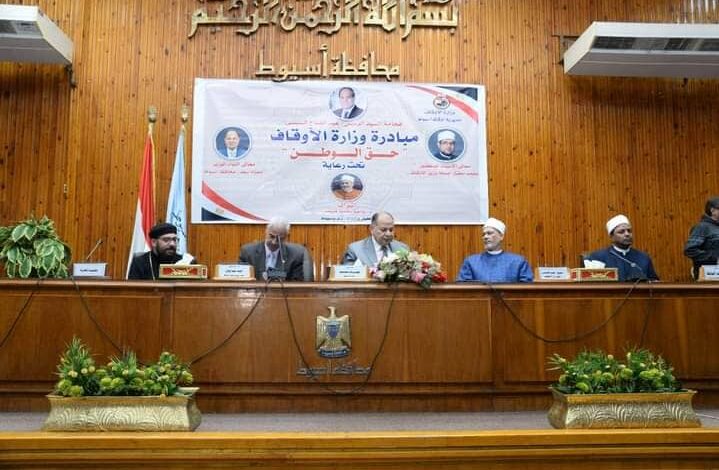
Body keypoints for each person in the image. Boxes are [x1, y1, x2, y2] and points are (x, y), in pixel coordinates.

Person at [457, 217, 533, 283]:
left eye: (489, 233)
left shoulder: (518, 262)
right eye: (483, 234)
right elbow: (463, 289)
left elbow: (527, 290)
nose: (485, 237)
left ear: (501, 236)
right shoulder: (471, 262)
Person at [585, 214, 659, 282]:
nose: (627, 234)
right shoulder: (598, 258)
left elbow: (654, 282)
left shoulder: (643, 257)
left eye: (629, 231)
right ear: (611, 237)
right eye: (621, 232)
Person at [239, 217, 313, 281]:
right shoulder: (248, 252)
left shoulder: (296, 255)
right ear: (266, 231)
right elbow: (241, 279)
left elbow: (296, 283)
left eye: (280, 239)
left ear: (286, 236)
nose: (274, 242)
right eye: (272, 236)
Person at [128, 222, 195, 280]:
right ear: (154, 242)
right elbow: (133, 289)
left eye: (174, 240)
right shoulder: (139, 263)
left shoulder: (184, 262)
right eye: (166, 240)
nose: (172, 244)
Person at [342, 211, 410, 266]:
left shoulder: (403, 248)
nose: (388, 234)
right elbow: (347, 276)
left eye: (391, 230)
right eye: (383, 230)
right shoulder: (355, 250)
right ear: (372, 229)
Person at [684, 196, 719, 279]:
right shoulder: (701, 227)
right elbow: (690, 250)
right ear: (712, 210)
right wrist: (715, 258)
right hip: (709, 277)